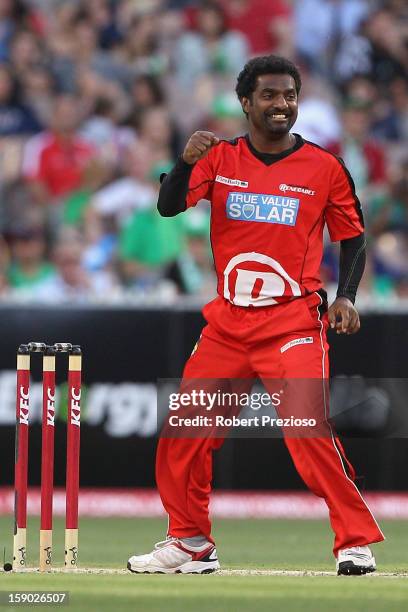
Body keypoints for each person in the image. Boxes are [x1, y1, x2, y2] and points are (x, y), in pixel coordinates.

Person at [127, 56, 384, 576]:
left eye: (289, 95)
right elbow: (169, 207)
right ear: (246, 103)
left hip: (291, 323)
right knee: (184, 430)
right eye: (268, 95)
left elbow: (353, 237)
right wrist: (182, 162)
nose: (281, 105)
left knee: (307, 429)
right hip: (228, 324)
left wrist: (347, 295)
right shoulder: (220, 158)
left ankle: (355, 541)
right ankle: (191, 542)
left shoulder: (324, 167)